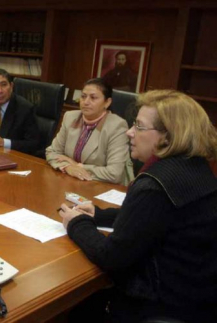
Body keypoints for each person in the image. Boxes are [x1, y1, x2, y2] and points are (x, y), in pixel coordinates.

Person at [59, 90, 217, 323]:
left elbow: (110, 257)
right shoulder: (196, 168)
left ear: (167, 137)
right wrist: (99, 214)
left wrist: (76, 223)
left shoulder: (154, 184)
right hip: (197, 298)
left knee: (75, 311)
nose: (129, 132)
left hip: (157, 304)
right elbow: (156, 219)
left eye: (139, 127)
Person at [46, 78, 133, 185]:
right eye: (83, 96)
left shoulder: (117, 126)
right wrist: (67, 167)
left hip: (102, 188)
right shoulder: (70, 117)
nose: (86, 102)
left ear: (107, 102)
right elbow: (52, 152)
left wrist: (77, 166)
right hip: (72, 182)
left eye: (93, 98)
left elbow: (114, 173)